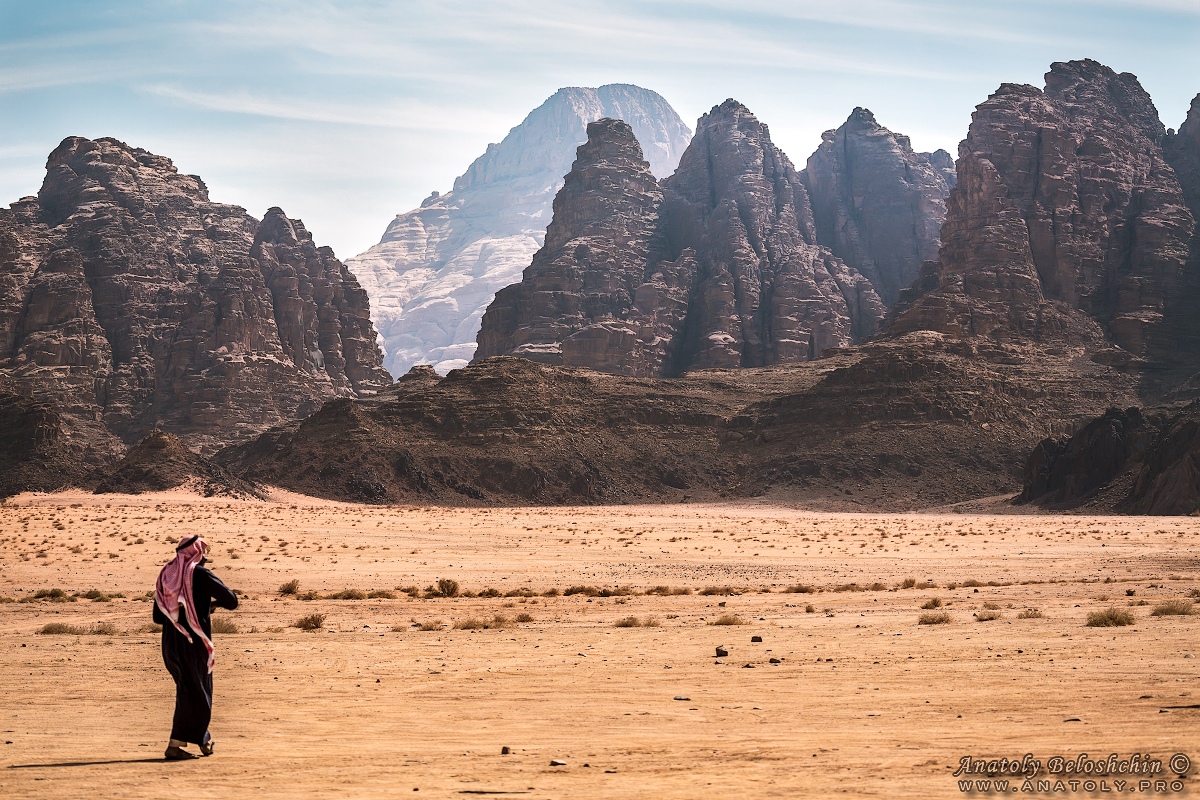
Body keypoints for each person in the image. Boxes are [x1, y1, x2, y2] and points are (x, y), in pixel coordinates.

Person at [153, 535, 238, 760]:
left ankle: (204, 740)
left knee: (190, 692)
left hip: (170, 645)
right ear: (197, 553)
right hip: (193, 644)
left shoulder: (166, 575)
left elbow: (158, 617)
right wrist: (204, 607)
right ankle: (176, 745)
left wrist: (197, 607)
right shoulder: (198, 573)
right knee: (199, 692)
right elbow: (231, 600)